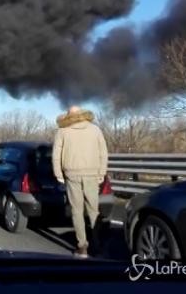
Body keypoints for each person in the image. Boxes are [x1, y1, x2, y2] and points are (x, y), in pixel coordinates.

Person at [52, 106, 108, 258]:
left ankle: (82, 247)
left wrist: (58, 173)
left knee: (77, 211)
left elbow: (56, 154)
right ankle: (97, 245)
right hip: (92, 174)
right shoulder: (95, 129)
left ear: (68, 116)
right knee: (93, 210)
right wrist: (102, 172)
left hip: (72, 175)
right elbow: (103, 152)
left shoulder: (62, 131)